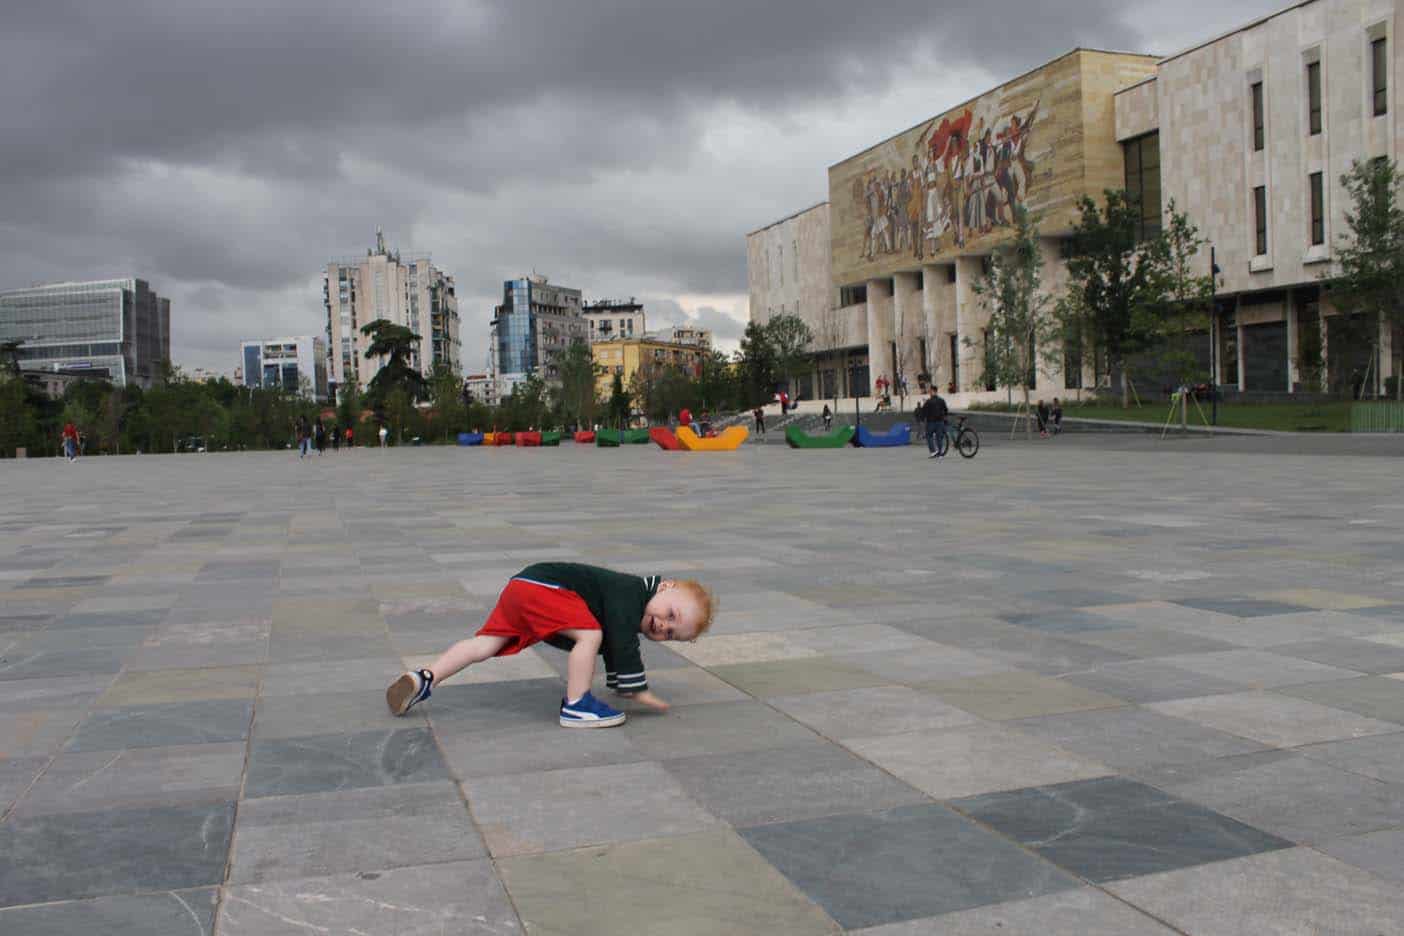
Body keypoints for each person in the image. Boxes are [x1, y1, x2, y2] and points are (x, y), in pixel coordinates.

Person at [385, 562, 714, 727]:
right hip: (545, 586)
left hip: (521, 585)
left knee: (483, 645)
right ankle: (577, 704)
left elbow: (621, 638)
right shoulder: (630, 591)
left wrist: (622, 684)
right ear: (664, 586)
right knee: (590, 635)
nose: (662, 625)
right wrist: (637, 689)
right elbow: (621, 640)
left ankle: (424, 678)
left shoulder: (629, 609)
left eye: (671, 633)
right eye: (670, 614)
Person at [919, 387, 948, 459]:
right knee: (939, 438)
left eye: (930, 392)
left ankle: (933, 451)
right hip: (940, 422)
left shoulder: (928, 401)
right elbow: (945, 410)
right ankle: (940, 454)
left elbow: (923, 411)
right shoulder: (941, 400)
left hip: (931, 422)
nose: (929, 393)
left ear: (933, 392)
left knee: (929, 436)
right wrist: (943, 417)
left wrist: (922, 420)